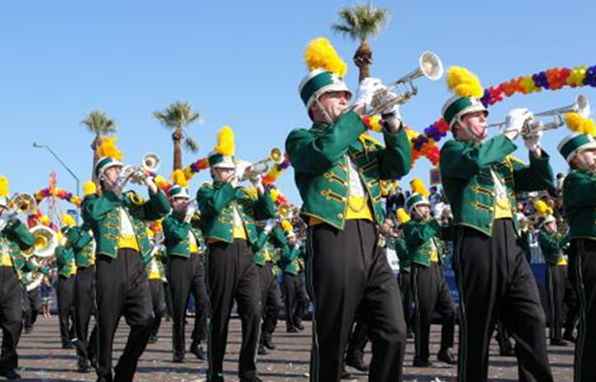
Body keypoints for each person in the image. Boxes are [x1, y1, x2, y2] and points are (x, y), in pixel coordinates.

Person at [285, 38, 411, 382]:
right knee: (333, 335)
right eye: (336, 95)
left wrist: (393, 122)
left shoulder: (360, 141)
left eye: (346, 94)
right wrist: (358, 112)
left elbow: (397, 166)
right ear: (315, 106)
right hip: (332, 235)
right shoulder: (301, 138)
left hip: (371, 240)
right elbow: (326, 152)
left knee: (393, 330)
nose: (345, 98)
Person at [439, 66, 554, 382]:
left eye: (483, 114)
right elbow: (475, 161)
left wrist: (534, 148)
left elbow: (540, 180)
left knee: (532, 317)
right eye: (476, 116)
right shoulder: (451, 151)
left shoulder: (499, 157)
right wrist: (511, 134)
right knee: (479, 327)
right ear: (459, 123)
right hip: (478, 240)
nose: (484, 119)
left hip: (510, 242)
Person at [82, 142, 171, 382]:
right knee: (107, 322)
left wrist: (151, 182)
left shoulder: (131, 200)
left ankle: (124, 369)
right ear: (102, 176)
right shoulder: (93, 200)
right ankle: (104, 374)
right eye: (114, 170)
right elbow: (93, 215)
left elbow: (161, 209)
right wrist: (116, 190)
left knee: (146, 321)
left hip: (137, 263)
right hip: (110, 261)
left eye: (121, 168)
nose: (120, 172)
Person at [197, 126, 276, 382]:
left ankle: (248, 371)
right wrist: (232, 182)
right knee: (219, 314)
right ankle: (215, 370)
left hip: (246, 254)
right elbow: (216, 205)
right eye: (224, 170)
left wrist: (257, 183)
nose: (230, 173)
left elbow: (266, 212)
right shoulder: (207, 191)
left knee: (253, 310)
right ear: (214, 171)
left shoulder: (242, 193)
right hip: (220, 251)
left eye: (232, 169)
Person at [558, 127, 596, 382]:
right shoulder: (574, 180)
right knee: (591, 321)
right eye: (590, 152)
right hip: (588, 252)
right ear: (575, 158)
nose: (595, 155)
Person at [402, 193, 456, 367]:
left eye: (427, 206)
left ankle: (445, 350)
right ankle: (420, 356)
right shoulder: (410, 226)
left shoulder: (431, 225)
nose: (427, 209)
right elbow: (419, 237)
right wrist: (434, 221)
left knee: (450, 311)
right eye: (423, 206)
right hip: (421, 268)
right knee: (423, 314)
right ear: (414, 210)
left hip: (437, 269)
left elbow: (450, 234)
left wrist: (451, 219)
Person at [162, 185, 209, 363]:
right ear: (172, 202)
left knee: (204, 302)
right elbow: (178, 234)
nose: (184, 202)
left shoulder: (193, 221)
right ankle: (178, 349)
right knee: (180, 309)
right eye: (180, 199)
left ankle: (197, 342)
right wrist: (187, 216)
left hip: (196, 262)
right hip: (178, 263)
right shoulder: (169, 221)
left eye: (185, 199)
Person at [0, 177, 35, 380]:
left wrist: (14, 222)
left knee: (14, 321)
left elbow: (29, 241)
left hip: (11, 277)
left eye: (3, 207)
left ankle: (7, 364)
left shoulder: (12, 228)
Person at [537, 213, 569, 346]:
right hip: (553, 268)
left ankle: (559, 333)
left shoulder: (553, 235)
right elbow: (555, 246)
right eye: (552, 223)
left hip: (562, 267)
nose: (555, 225)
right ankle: (555, 336)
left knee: (561, 301)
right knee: (555, 302)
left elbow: (564, 247)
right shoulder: (543, 236)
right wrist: (564, 237)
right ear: (546, 225)